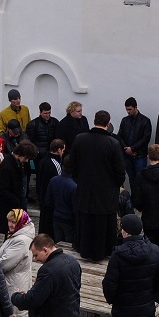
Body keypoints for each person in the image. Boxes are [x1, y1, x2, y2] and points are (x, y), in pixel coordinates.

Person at [68, 110, 126, 261]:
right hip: (106, 193)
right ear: (108, 124)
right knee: (103, 224)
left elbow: (72, 164)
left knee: (86, 222)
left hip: (85, 190)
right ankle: (104, 251)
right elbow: (120, 171)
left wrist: (80, 179)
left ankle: (84, 249)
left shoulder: (80, 139)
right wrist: (115, 184)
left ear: (94, 121)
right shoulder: (113, 143)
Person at [0, 208, 35, 317]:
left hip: (15, 285)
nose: (10, 224)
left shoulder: (21, 240)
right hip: (15, 283)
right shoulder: (19, 235)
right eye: (9, 221)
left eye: (13, 221)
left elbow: (4, 264)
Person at [117, 98, 152, 207]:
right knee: (132, 178)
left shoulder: (145, 121)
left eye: (130, 109)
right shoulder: (125, 120)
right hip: (128, 154)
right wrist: (126, 149)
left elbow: (146, 138)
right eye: (127, 109)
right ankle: (134, 200)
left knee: (140, 178)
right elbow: (120, 136)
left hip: (139, 155)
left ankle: (140, 201)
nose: (128, 112)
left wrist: (132, 149)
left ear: (136, 107)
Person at [0, 139, 37, 221]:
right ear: (21, 154)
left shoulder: (17, 163)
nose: (27, 160)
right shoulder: (7, 166)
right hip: (8, 207)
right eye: (26, 158)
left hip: (14, 204)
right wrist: (16, 200)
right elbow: (2, 189)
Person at [43, 154, 77, 243]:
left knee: (58, 243)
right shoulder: (74, 186)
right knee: (69, 245)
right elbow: (75, 208)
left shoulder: (53, 180)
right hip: (68, 220)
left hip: (56, 217)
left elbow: (48, 200)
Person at [36, 139, 65, 237]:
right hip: (51, 198)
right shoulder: (56, 164)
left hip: (43, 196)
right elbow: (59, 181)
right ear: (59, 150)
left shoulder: (43, 160)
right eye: (63, 150)